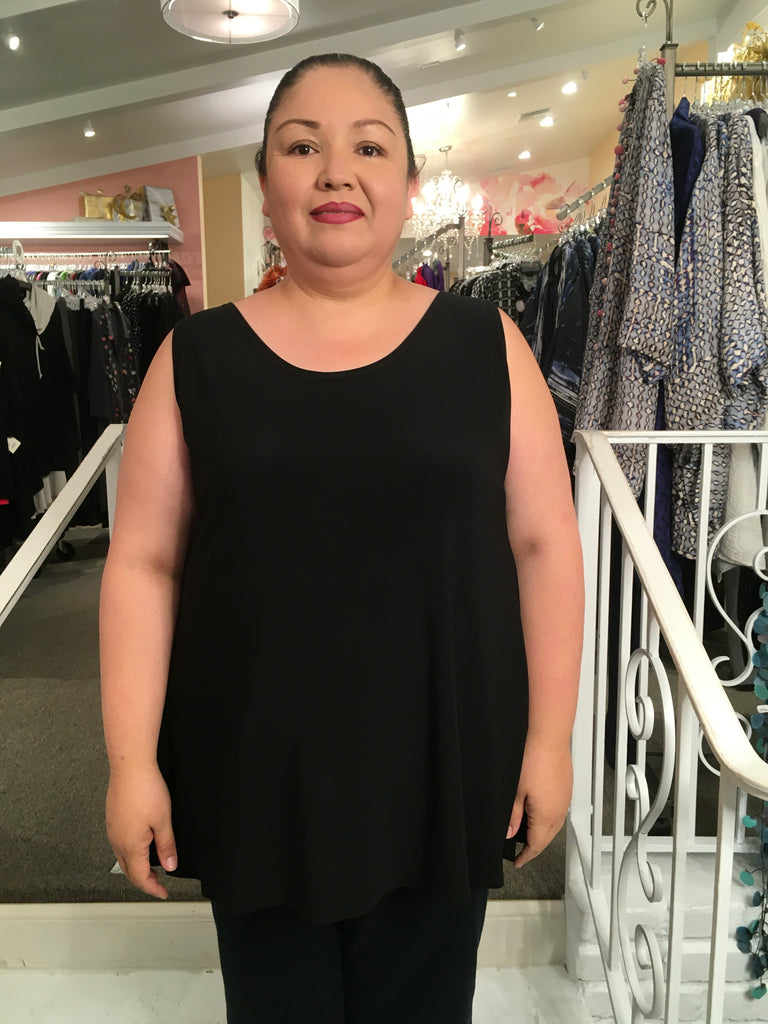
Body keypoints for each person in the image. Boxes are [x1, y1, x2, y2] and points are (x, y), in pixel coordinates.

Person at [99, 52, 584, 1024]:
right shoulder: (194, 357)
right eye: (301, 146)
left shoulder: (488, 345)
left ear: (409, 182)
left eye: (369, 147)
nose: (335, 172)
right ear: (264, 179)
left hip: (442, 763)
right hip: (256, 769)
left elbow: (546, 545)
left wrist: (551, 741)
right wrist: (131, 763)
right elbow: (144, 564)